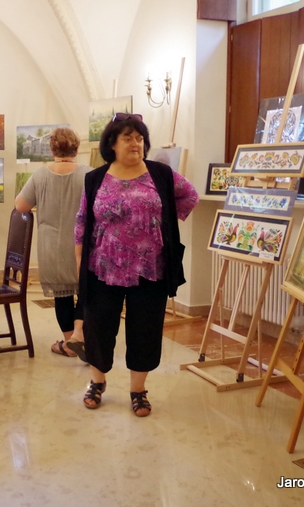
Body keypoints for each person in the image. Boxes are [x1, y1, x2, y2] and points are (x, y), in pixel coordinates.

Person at [75, 113, 198, 417]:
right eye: (128, 138)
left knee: (145, 329)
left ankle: (138, 391)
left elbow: (190, 196)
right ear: (112, 144)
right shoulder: (95, 178)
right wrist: (79, 263)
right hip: (103, 267)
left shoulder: (161, 174)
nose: (135, 143)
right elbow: (82, 222)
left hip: (150, 269)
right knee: (98, 327)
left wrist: (160, 222)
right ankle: (97, 381)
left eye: (140, 138)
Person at [14, 128, 90, 360]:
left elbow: (21, 206)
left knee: (62, 296)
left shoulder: (40, 175)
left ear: (52, 149)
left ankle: (69, 343)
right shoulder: (89, 174)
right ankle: (81, 337)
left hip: (51, 247)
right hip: (83, 245)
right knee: (86, 292)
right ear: (76, 148)